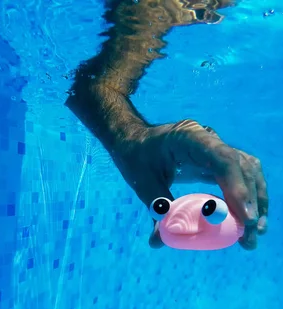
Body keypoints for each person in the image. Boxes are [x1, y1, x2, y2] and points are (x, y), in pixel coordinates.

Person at [65, 0, 268, 250]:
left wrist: (134, 142)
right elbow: (89, 88)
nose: (218, 14)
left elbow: (90, 88)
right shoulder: (155, 8)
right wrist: (134, 138)